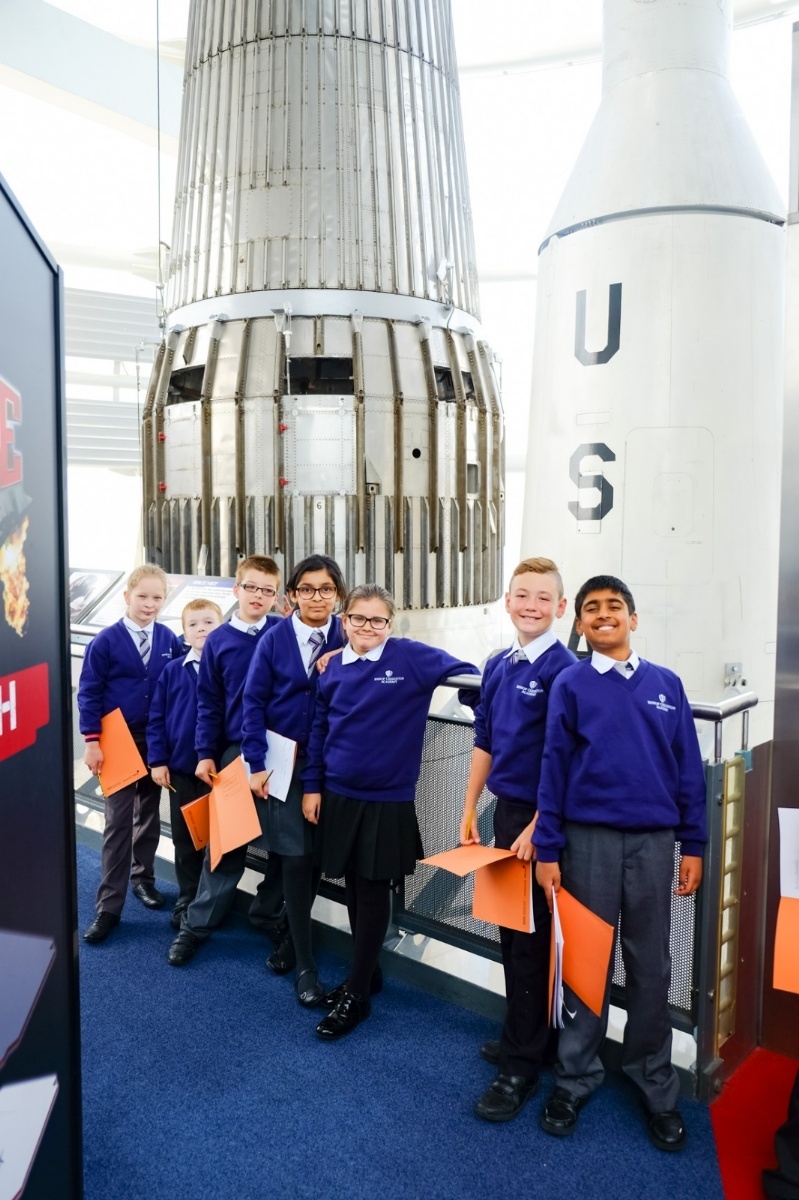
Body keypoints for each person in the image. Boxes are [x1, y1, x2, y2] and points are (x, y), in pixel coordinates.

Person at [533, 574, 707, 1152]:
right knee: (586, 963)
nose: (603, 614)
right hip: (587, 842)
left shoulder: (667, 685)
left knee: (652, 965)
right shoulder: (570, 684)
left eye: (614, 606)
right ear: (580, 624)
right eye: (591, 608)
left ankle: (656, 1085)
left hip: (655, 844)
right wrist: (549, 848)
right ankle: (574, 1077)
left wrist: (694, 844)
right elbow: (553, 768)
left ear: (633, 618)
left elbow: (688, 770)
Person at [302, 583, 479, 1040]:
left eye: (377, 619)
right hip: (338, 792)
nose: (368, 627)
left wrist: (486, 714)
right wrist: (312, 786)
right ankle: (367, 975)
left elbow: (470, 676)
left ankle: (357, 994)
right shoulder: (332, 667)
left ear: (390, 623)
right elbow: (319, 730)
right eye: (358, 618)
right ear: (344, 621)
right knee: (353, 885)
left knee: (373, 889)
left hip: (387, 798)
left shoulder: (411, 657)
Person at [459, 556, 575, 1123]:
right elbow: (484, 737)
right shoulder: (499, 663)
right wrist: (468, 806)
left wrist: (539, 824)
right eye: (521, 595)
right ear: (507, 602)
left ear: (561, 607)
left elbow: (566, 756)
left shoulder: (564, 671)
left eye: (543, 597)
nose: (531, 605)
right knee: (512, 933)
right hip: (507, 815)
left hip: (540, 821)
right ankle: (525, 1036)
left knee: (531, 943)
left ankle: (521, 1066)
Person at [168, 555, 286, 965]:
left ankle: (266, 912)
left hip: (283, 753)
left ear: (276, 596)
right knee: (226, 846)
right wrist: (205, 754)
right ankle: (196, 926)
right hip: (236, 753)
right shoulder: (218, 640)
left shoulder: (284, 632)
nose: (258, 596)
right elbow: (209, 704)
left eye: (267, 590)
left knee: (287, 846)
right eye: (251, 587)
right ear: (236, 590)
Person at [241, 554, 347, 1007]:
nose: (316, 597)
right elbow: (253, 701)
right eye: (306, 589)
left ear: (338, 594)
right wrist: (255, 762)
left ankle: (289, 934)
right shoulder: (274, 638)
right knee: (297, 858)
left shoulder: (349, 634)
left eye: (326, 589)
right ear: (292, 595)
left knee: (317, 854)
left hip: (333, 764)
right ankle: (305, 964)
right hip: (284, 763)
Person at [79, 563, 183, 943]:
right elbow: (89, 692)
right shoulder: (105, 642)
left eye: (157, 597)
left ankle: (143, 879)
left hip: (156, 741)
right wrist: (92, 742)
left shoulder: (169, 638)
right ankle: (109, 906)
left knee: (149, 815)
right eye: (143, 596)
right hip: (116, 741)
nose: (150, 604)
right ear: (126, 596)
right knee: (118, 821)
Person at [147, 598, 223, 930]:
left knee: (218, 841)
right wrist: (157, 760)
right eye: (193, 624)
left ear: (221, 628)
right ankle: (187, 897)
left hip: (219, 773)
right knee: (185, 838)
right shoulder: (172, 671)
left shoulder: (229, 668)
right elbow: (156, 719)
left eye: (208, 622)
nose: (201, 629)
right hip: (180, 770)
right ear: (184, 632)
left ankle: (211, 902)